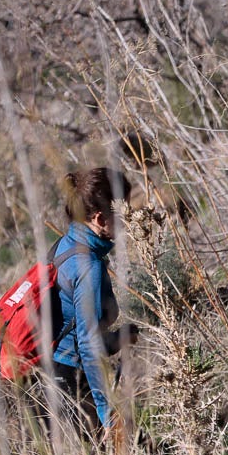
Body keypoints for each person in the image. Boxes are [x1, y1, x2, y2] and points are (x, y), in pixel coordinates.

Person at [51, 167, 134, 437]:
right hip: (70, 379)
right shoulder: (88, 267)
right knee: (127, 452)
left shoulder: (64, 246)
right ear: (100, 218)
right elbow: (87, 344)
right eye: (121, 214)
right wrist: (105, 413)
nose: (128, 219)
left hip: (51, 371)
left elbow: (73, 323)